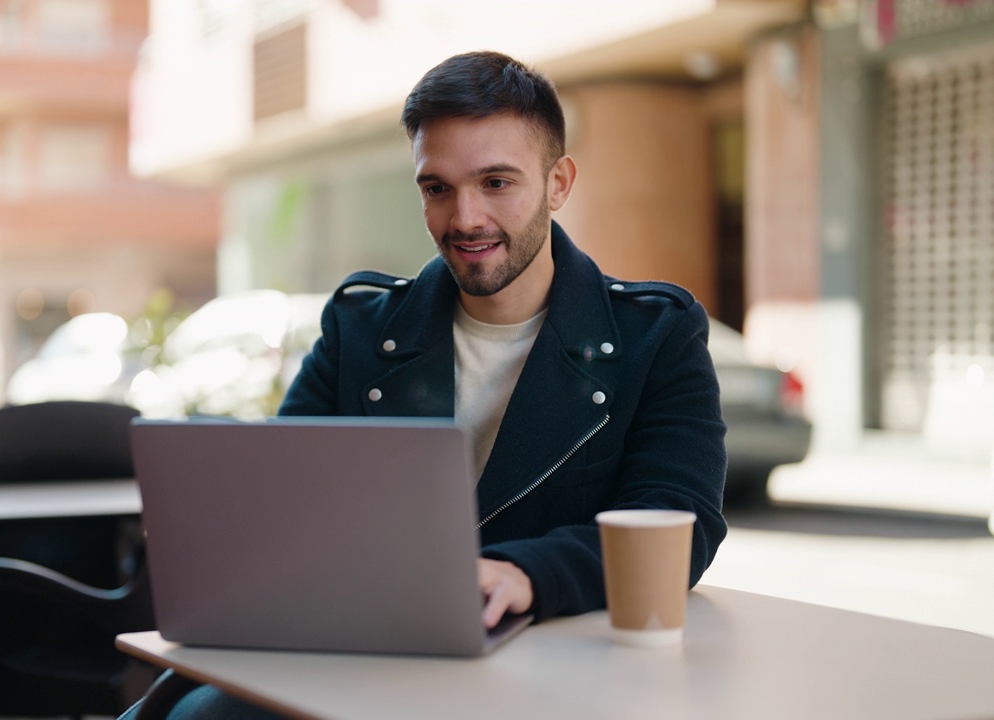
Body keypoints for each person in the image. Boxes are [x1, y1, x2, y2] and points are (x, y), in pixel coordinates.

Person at [124, 50, 727, 720]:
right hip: (361, 656)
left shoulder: (656, 336)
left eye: (496, 183)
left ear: (559, 184)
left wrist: (526, 573)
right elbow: (286, 507)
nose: (465, 219)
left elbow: (682, 525)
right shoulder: (359, 329)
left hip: (556, 673)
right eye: (437, 188)